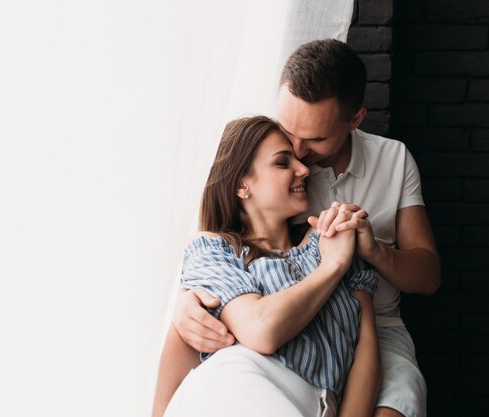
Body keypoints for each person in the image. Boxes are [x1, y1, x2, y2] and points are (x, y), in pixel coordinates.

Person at [173, 39, 441, 417]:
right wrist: (186, 299)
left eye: (314, 139)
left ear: (356, 119)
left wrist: (373, 252)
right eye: (288, 131)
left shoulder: (393, 160)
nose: (298, 151)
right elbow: (222, 241)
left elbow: (428, 276)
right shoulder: (272, 159)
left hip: (375, 322)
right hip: (284, 317)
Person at [152, 116, 380, 417]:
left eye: (297, 160)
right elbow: (262, 330)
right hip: (225, 391)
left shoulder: (332, 235)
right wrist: (332, 267)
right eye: (283, 163)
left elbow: (367, 349)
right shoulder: (214, 249)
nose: (303, 169)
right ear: (242, 186)